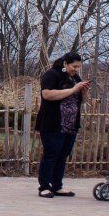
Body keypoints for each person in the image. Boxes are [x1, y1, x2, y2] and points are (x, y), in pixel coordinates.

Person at [35, 51, 90, 198]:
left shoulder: (75, 78)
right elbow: (46, 94)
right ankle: (44, 187)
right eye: (74, 66)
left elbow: (83, 100)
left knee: (63, 155)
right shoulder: (52, 75)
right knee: (51, 153)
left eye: (79, 67)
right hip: (53, 123)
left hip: (70, 124)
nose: (76, 69)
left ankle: (57, 186)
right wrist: (72, 90)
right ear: (66, 63)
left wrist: (83, 91)